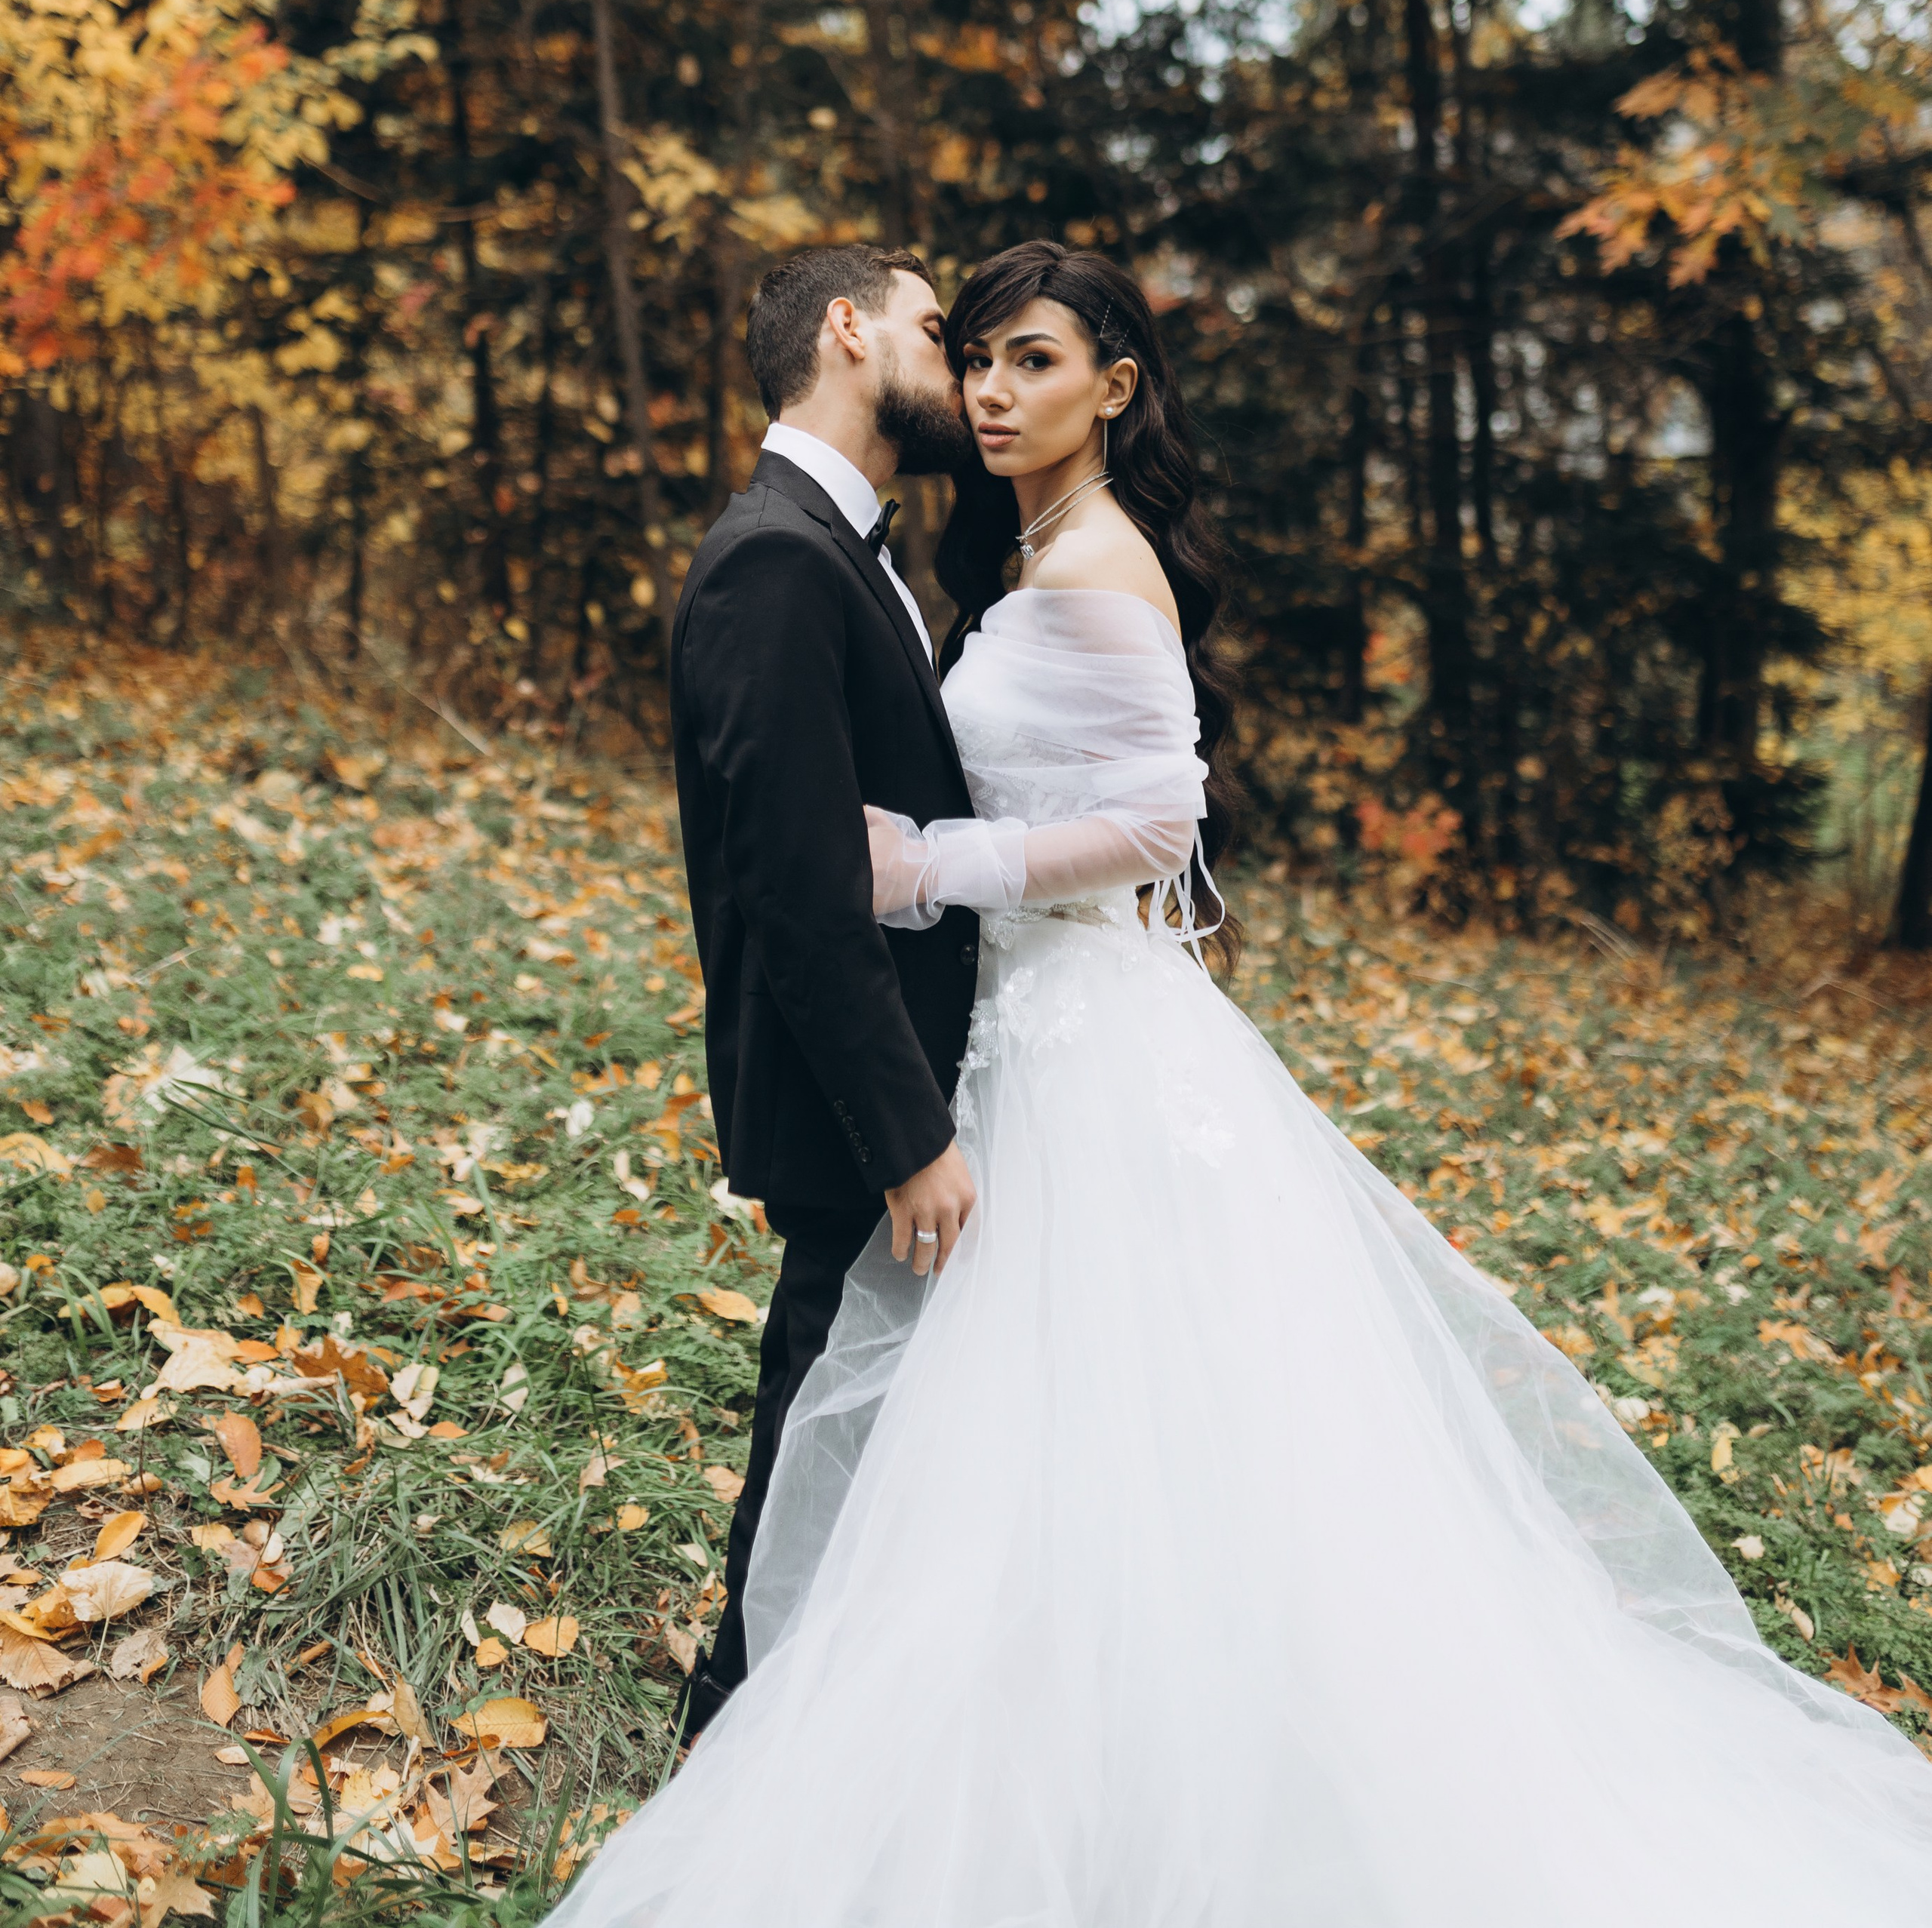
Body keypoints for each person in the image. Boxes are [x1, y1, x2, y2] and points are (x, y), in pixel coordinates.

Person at [561, 240, 1932, 1925]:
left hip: (1066, 1044)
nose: (985, 384)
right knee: (977, 1421)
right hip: (1006, 1047)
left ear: (1112, 385)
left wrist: (936, 866)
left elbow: (1157, 822)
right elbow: (800, 853)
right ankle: (819, 1718)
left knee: (1086, 1421)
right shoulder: (934, 547)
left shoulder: (1085, 558)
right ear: (862, 340)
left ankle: (885, 1744)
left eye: (1024, 357)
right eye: (965, 349)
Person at [664, 241, 978, 1745]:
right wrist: (905, 1128)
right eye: (935, 325)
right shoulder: (775, 557)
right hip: (853, 1103)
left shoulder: (849, 547)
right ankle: (724, 1755)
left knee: (868, 1428)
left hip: (900, 1079)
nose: (960, 357)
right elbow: (792, 884)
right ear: (847, 330)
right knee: (818, 1434)